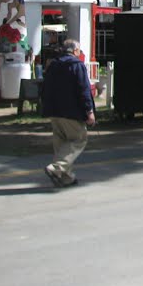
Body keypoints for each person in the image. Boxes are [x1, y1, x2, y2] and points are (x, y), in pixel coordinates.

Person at [41, 39, 96, 188]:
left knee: (61, 143)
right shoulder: (76, 65)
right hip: (72, 111)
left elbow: (45, 87)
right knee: (78, 139)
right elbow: (84, 90)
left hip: (54, 110)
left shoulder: (53, 65)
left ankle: (67, 177)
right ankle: (57, 167)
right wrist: (89, 111)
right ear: (75, 51)